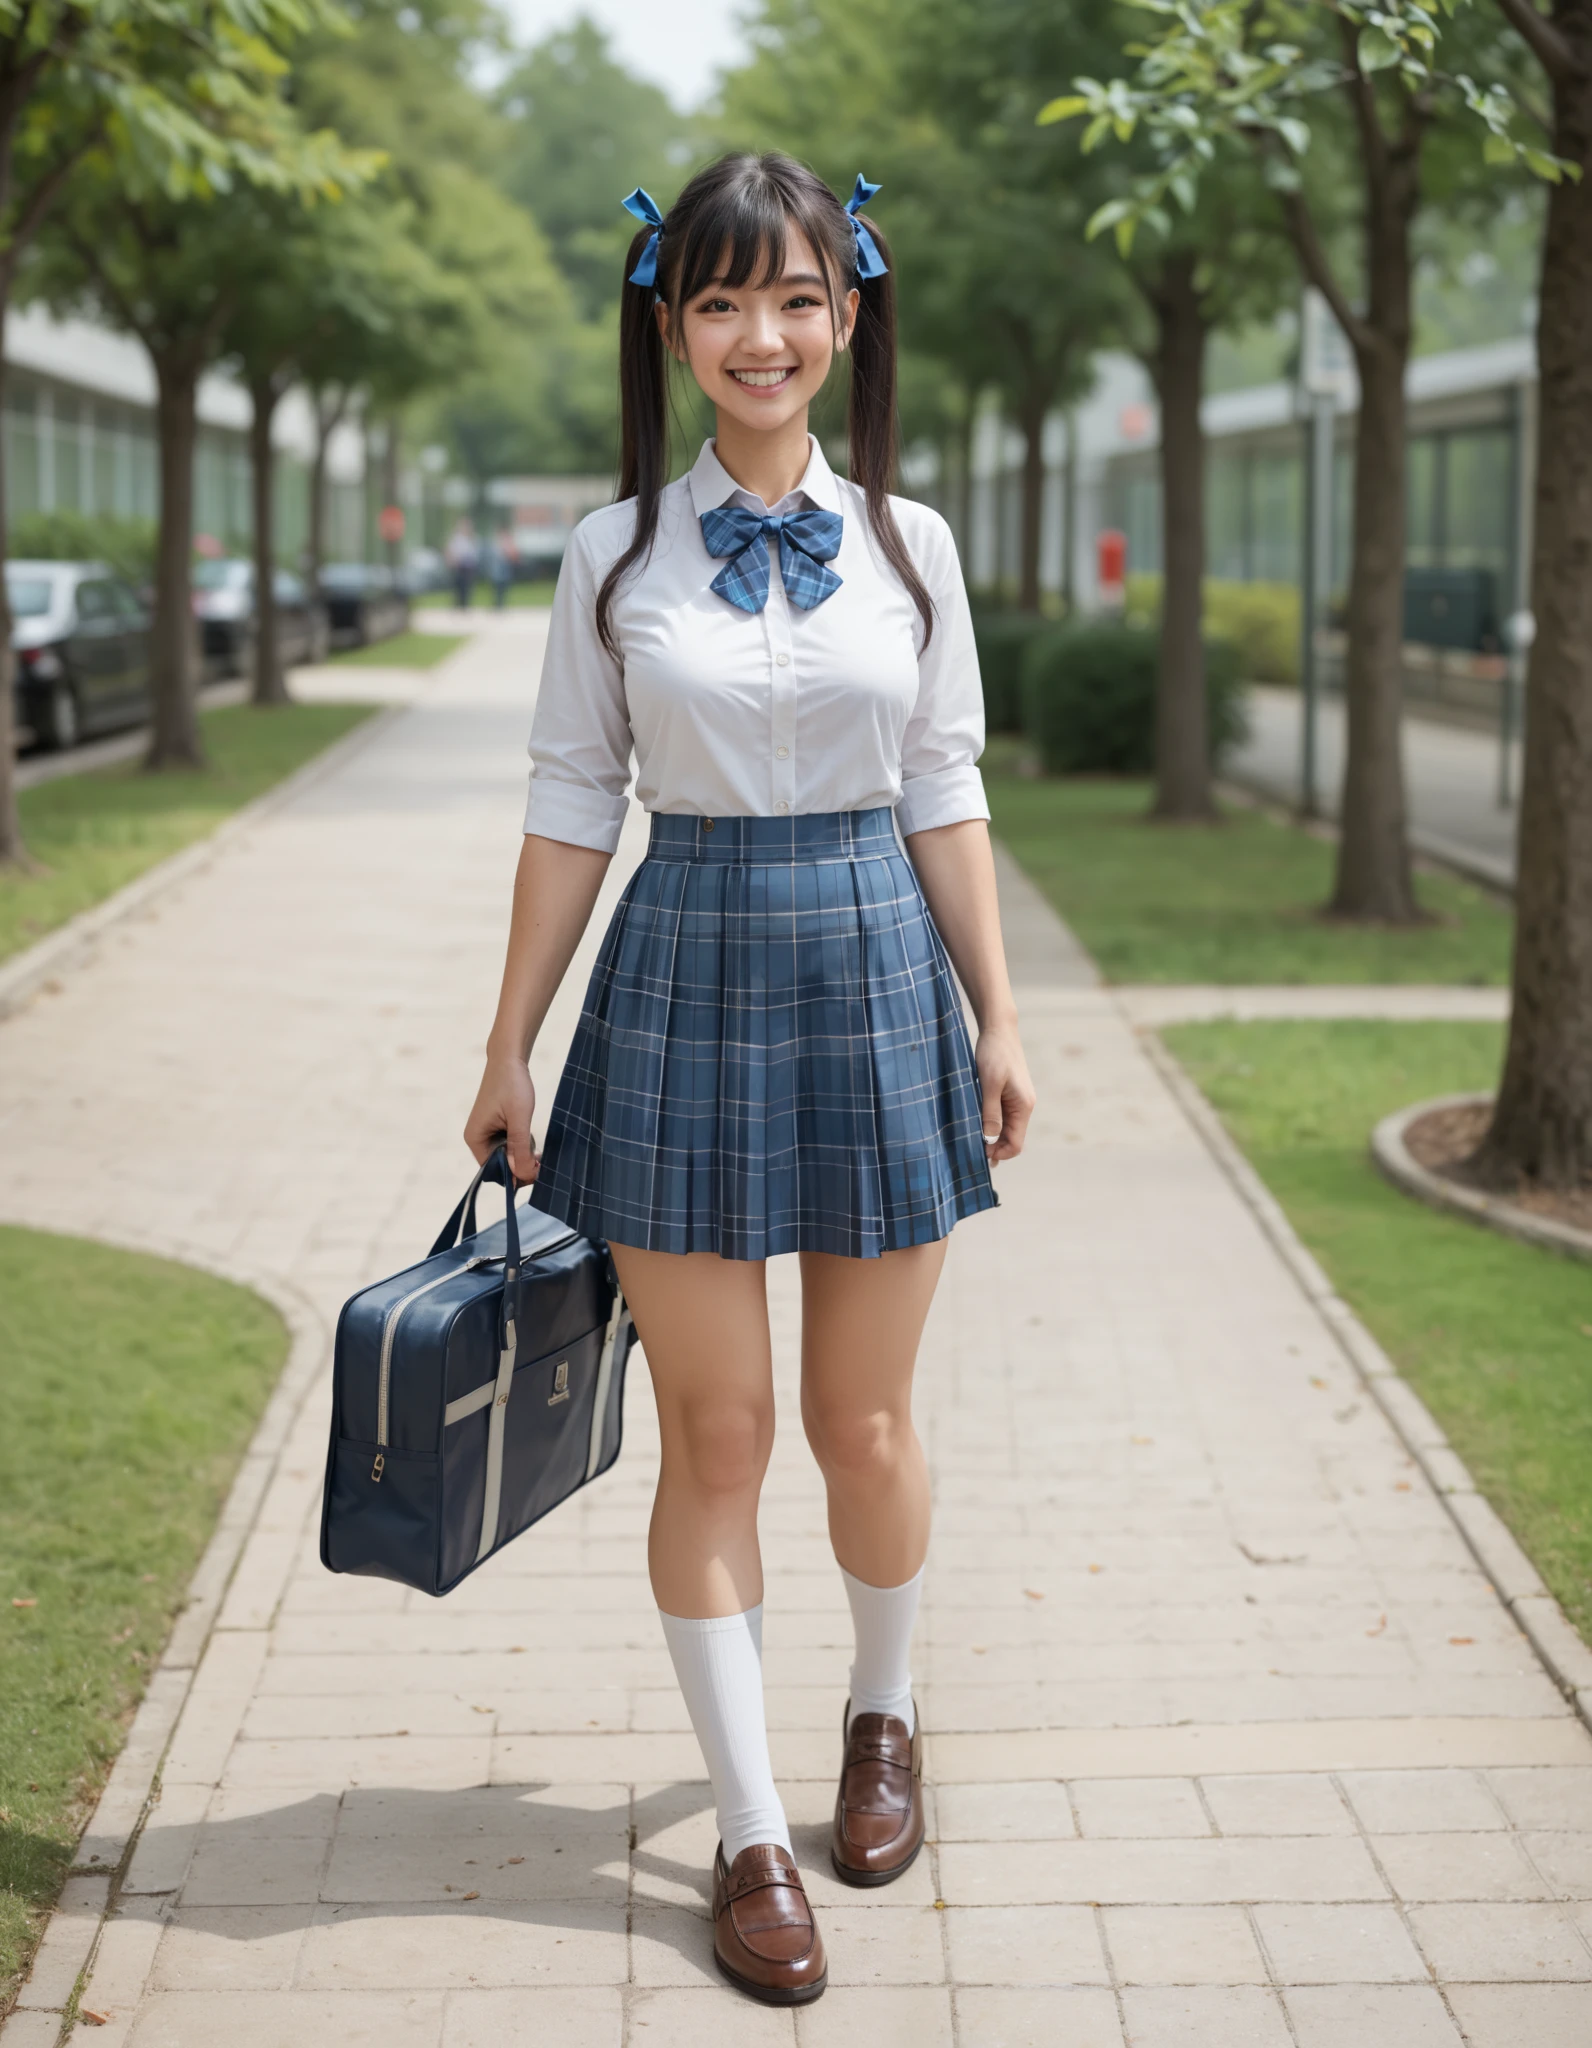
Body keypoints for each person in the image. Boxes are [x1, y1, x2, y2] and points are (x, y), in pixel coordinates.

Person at [464, 152, 1034, 2007]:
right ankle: (753, 1824)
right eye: (718, 301)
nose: (759, 334)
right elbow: (571, 799)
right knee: (718, 1435)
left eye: (792, 297)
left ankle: (885, 1710)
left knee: (859, 1424)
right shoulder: (609, 553)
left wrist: (1001, 1016)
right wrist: (506, 1042)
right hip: (682, 962)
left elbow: (943, 784)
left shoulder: (911, 543)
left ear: (846, 311)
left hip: (876, 965)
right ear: (672, 324)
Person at [444, 518, 478, 608]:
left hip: (468, 568)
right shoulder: (456, 538)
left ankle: (465, 606)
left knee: (467, 590)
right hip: (458, 567)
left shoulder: (471, 538)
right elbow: (450, 551)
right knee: (457, 590)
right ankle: (457, 607)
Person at [487, 527, 515, 608]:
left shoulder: (508, 544)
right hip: (497, 571)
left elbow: (511, 556)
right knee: (496, 589)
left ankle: (501, 604)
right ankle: (497, 604)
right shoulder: (496, 544)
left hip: (504, 570)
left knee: (504, 589)